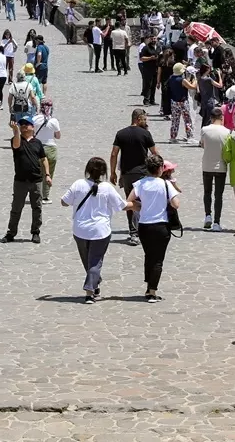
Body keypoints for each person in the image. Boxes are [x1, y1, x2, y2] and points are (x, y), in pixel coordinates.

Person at [60, 157, 127, 303]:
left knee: (88, 261)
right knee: (95, 261)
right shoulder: (108, 188)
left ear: (87, 170)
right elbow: (122, 206)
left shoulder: (78, 184)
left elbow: (64, 202)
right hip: (100, 230)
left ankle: (92, 285)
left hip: (80, 230)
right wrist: (136, 204)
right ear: (104, 172)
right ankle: (90, 290)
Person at [124, 155, 179, 303]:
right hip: (161, 225)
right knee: (158, 260)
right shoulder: (165, 184)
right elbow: (176, 204)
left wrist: (140, 206)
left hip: (144, 226)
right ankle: (152, 291)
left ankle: (149, 286)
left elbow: (128, 203)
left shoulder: (140, 184)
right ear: (161, 168)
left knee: (149, 255)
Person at [109, 108, 158, 247]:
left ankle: (133, 233)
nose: (145, 121)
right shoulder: (145, 134)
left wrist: (113, 172)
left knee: (130, 203)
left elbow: (114, 154)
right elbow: (154, 153)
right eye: (144, 119)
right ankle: (145, 229)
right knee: (144, 202)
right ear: (138, 119)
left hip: (127, 174)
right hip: (143, 173)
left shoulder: (121, 134)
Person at [3, 115, 50, 244]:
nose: (24, 126)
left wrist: (47, 174)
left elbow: (44, 158)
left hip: (36, 180)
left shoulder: (37, 142)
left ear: (32, 127)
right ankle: (11, 233)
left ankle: (35, 232)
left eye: (26, 124)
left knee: (37, 207)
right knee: (16, 208)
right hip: (20, 180)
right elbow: (16, 145)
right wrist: (16, 130)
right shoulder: (16, 139)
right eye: (21, 124)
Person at [198, 109, 231, 231]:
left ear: (211, 118)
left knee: (207, 192)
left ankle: (208, 216)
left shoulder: (204, 130)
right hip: (221, 166)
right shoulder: (227, 132)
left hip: (207, 165)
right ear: (221, 118)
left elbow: (202, 144)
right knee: (219, 195)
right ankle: (217, 222)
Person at [33, 100, 62, 203]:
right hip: (51, 148)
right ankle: (45, 196)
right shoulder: (54, 121)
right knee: (49, 173)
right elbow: (58, 136)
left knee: (38, 172)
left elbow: (32, 133)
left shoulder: (35, 119)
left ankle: (37, 194)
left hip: (38, 148)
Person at [167, 62, 197, 143]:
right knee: (187, 120)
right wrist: (194, 79)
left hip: (174, 101)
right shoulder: (182, 80)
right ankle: (190, 137)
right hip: (183, 101)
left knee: (175, 120)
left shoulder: (171, 78)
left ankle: (173, 137)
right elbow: (193, 87)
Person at [138, 34, 159, 100]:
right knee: (148, 85)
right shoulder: (146, 48)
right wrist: (150, 58)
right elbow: (141, 58)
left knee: (154, 85)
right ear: (150, 39)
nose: (153, 40)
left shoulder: (159, 47)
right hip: (148, 69)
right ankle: (146, 99)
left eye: (154, 39)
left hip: (156, 69)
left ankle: (152, 99)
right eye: (152, 39)